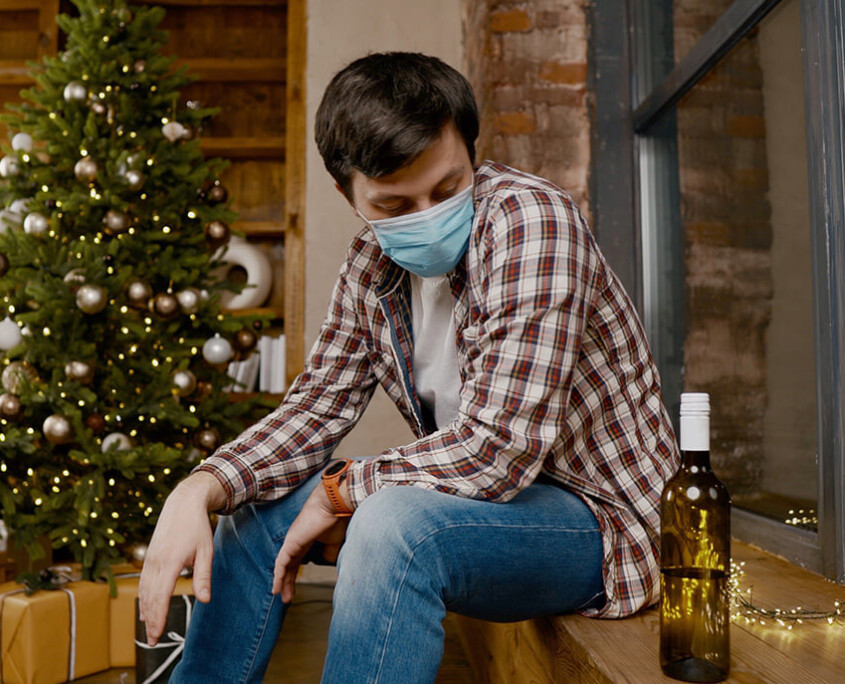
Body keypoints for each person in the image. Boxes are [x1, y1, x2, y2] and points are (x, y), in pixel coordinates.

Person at [138, 52, 679, 683]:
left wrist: (342, 491)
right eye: (395, 206)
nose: (427, 214)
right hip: (484, 503)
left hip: (601, 525)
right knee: (254, 509)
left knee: (391, 525)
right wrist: (199, 487)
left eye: (448, 188)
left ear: (470, 154)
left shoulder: (532, 222)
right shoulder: (371, 264)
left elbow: (496, 449)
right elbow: (316, 407)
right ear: (348, 193)